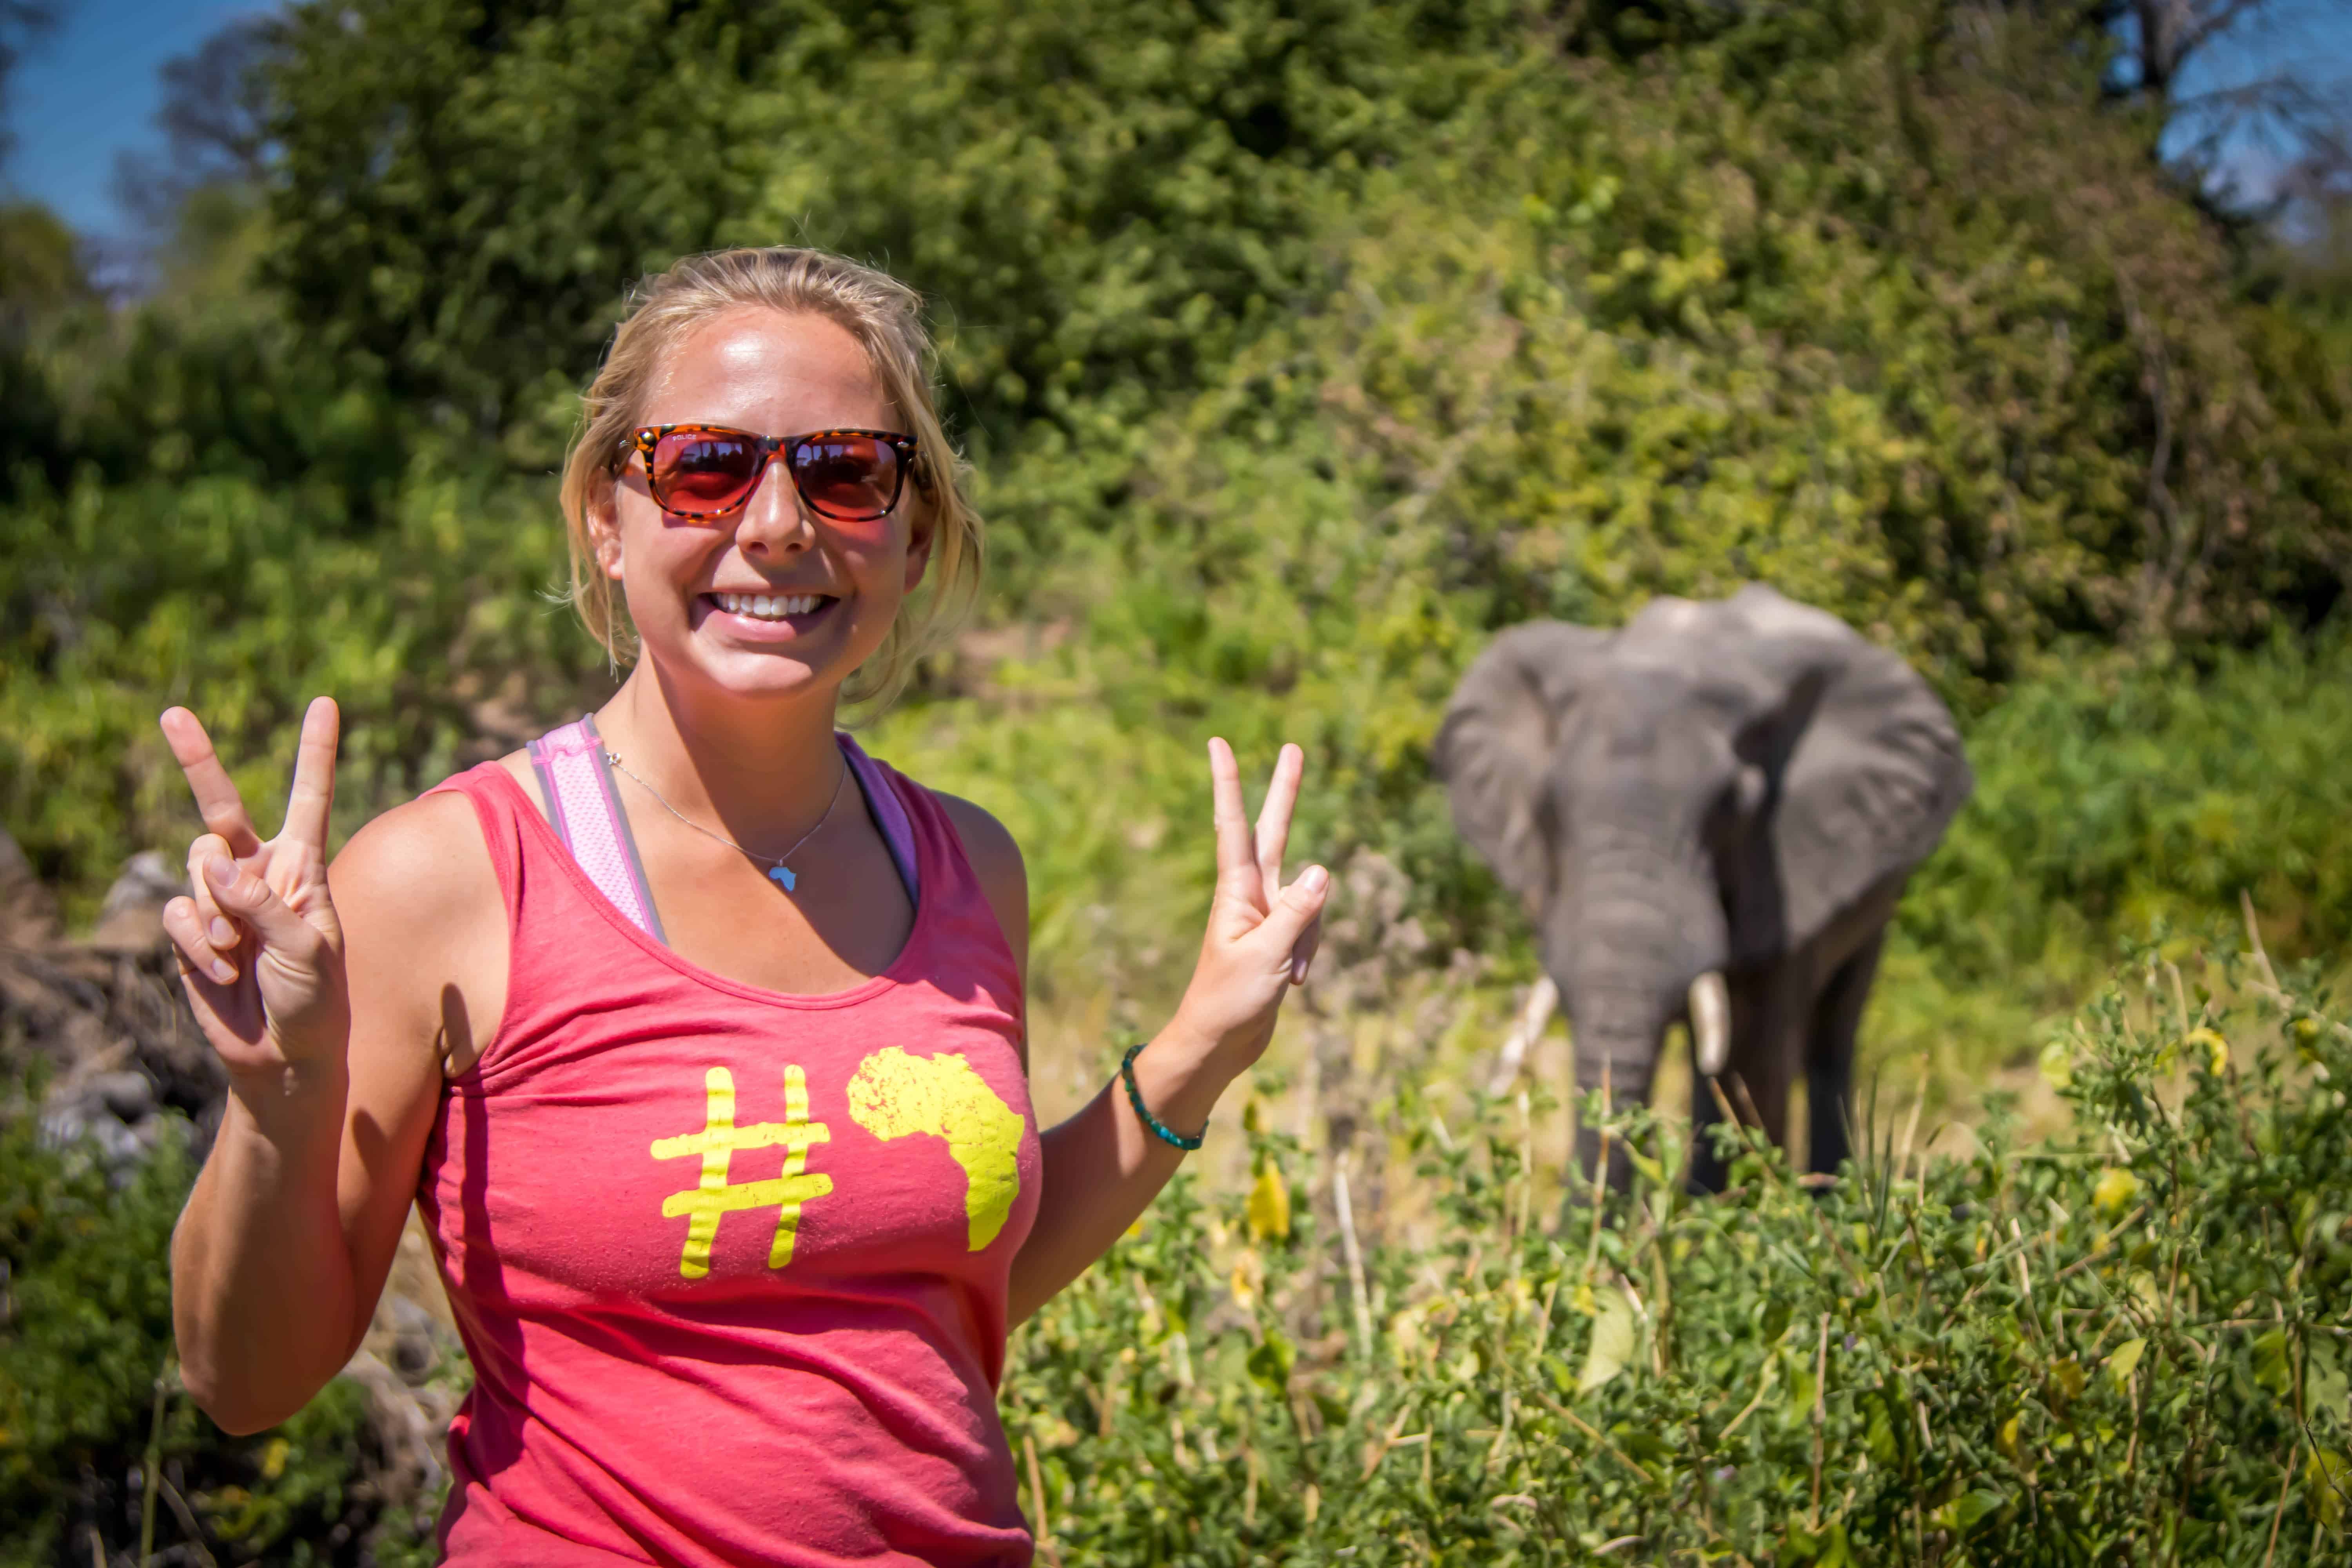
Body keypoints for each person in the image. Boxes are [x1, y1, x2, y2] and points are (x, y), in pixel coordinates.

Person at [159, 246, 1330, 1566]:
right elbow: (243, 1383)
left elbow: (946, 1287)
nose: (778, 523)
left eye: (846, 473)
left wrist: (1197, 1055)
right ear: (609, 515)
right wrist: (277, 1093)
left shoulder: (966, 865)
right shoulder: (449, 879)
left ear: (914, 529)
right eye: (706, 467)